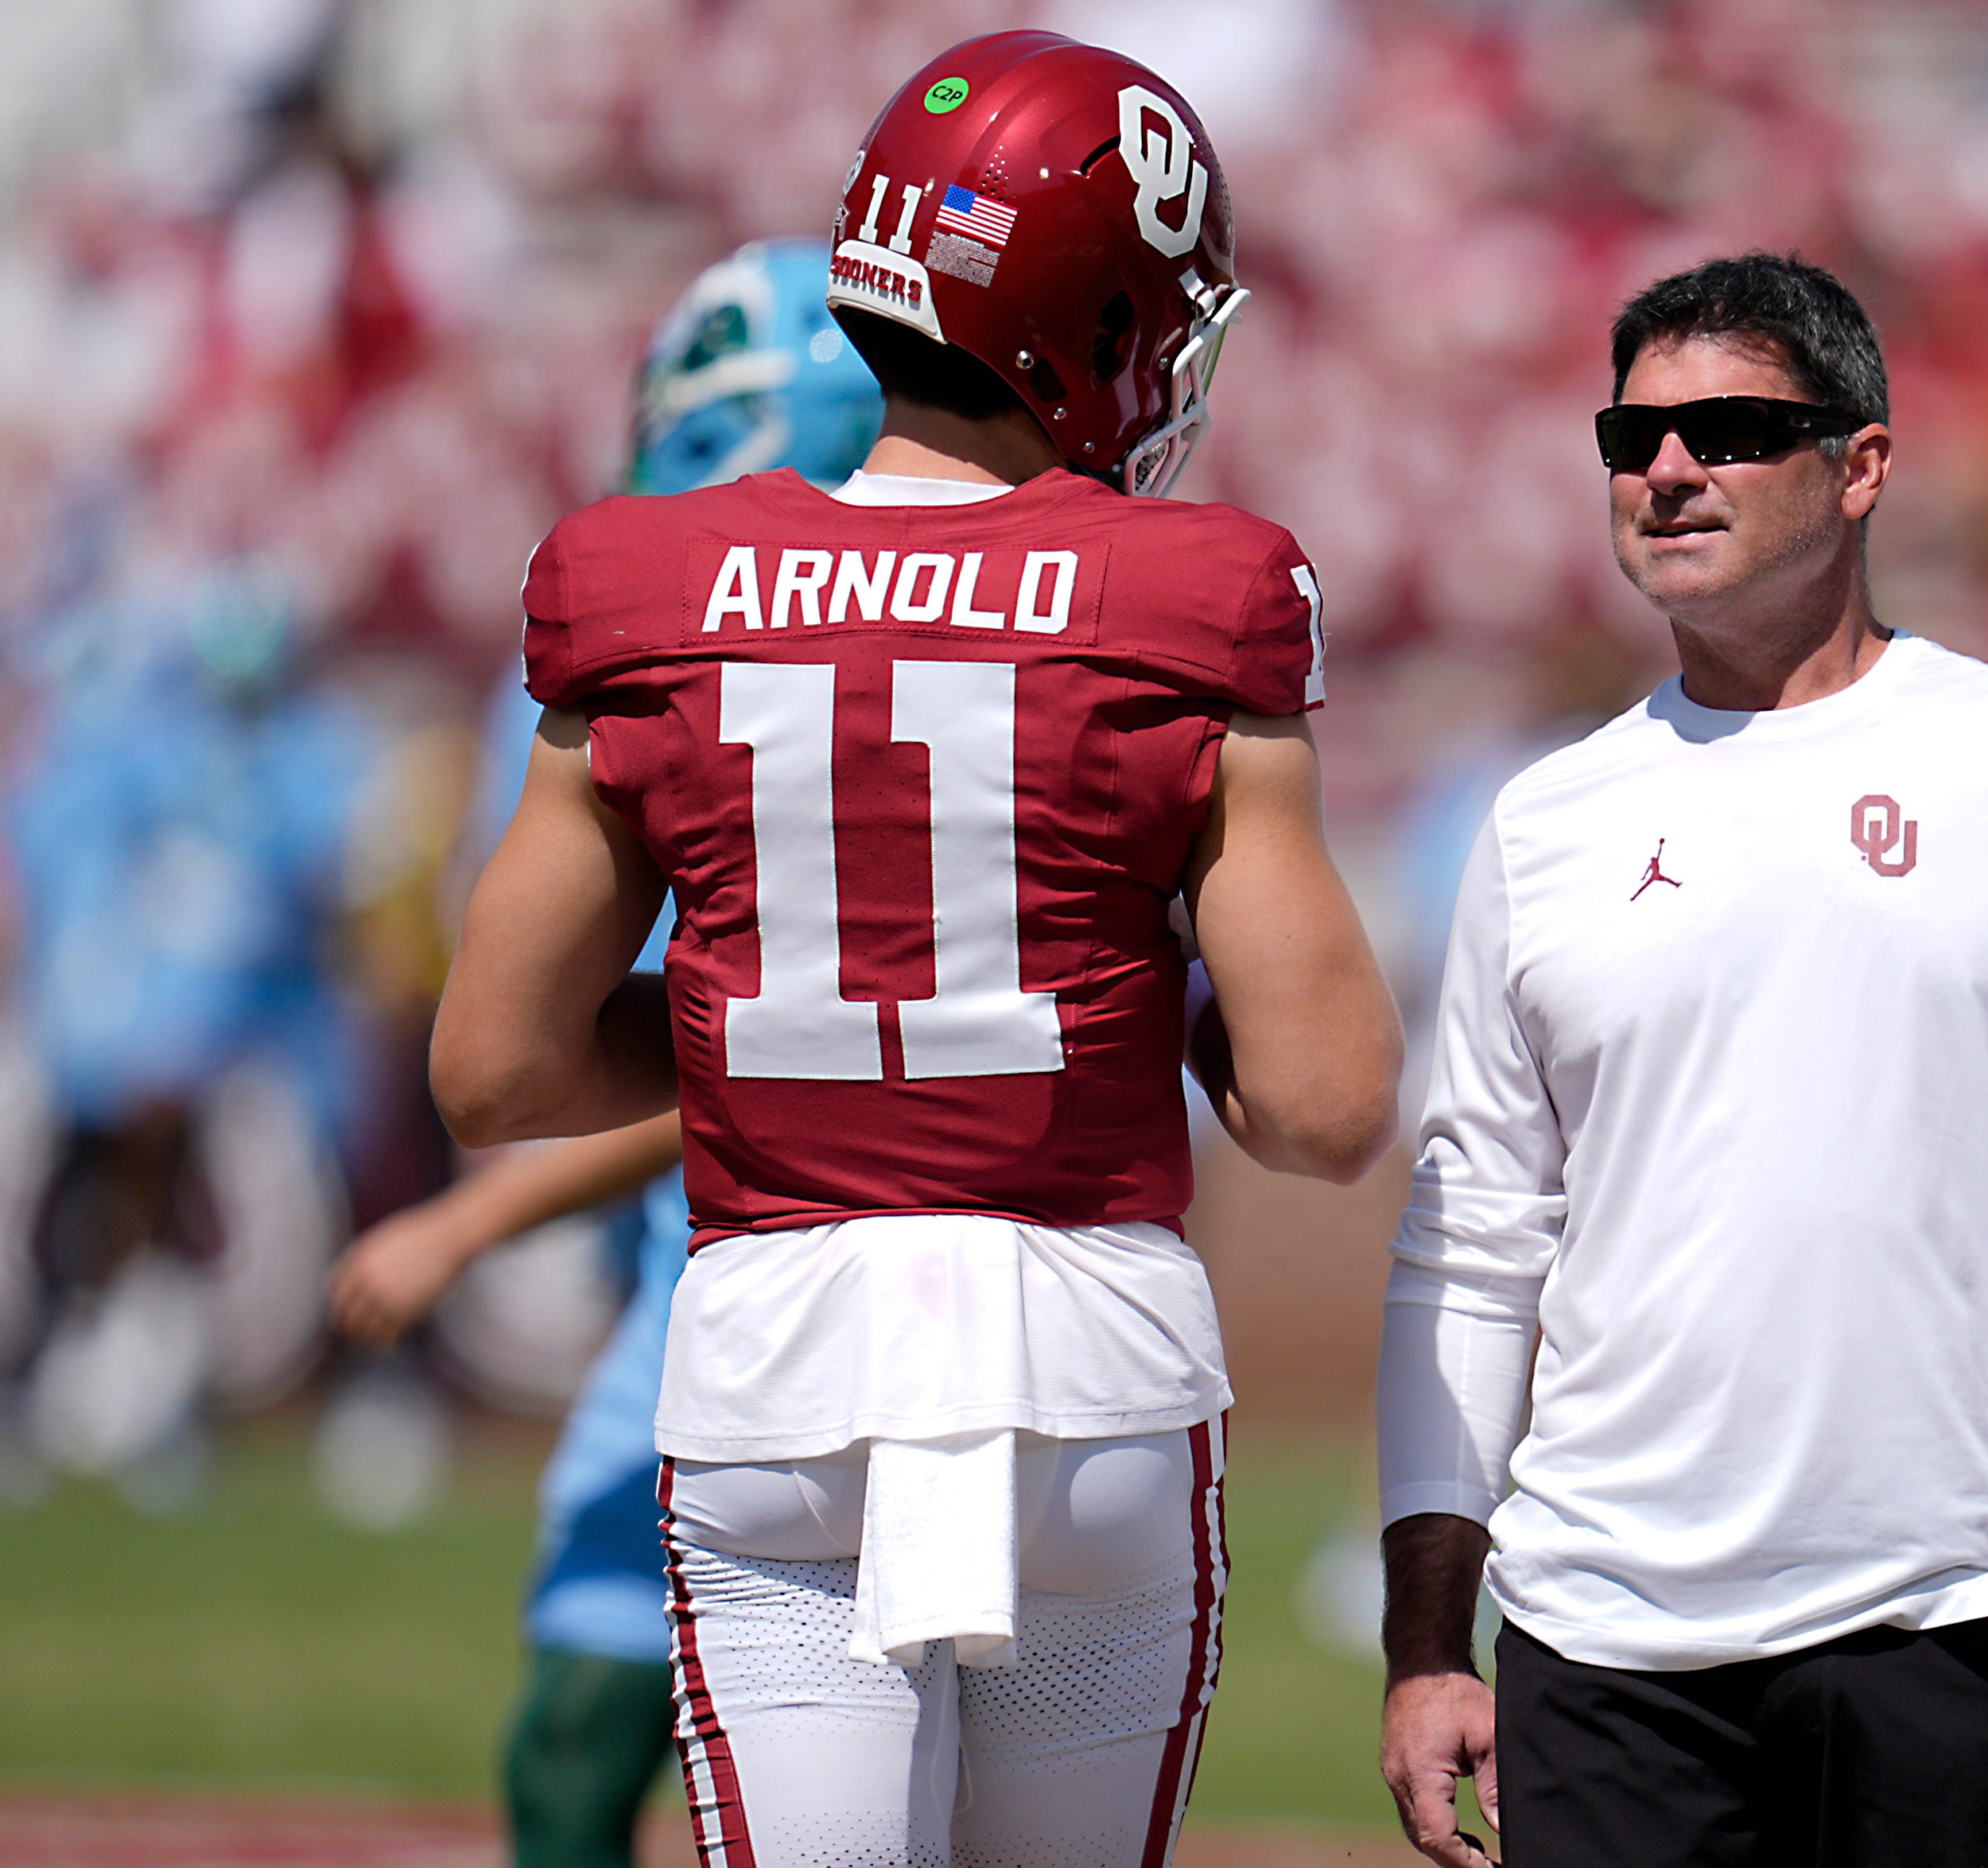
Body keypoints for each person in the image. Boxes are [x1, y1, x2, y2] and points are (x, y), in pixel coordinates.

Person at [429, 31, 1402, 1868]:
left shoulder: (648, 587)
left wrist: (771, 1022)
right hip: (1086, 1374)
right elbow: (1327, 1102)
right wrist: (1093, 995)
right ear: (1092, 322)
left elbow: (496, 1065)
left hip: (777, 1363)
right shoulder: (1187, 597)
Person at [1373, 253, 1988, 1868]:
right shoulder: (1542, 820)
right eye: (1630, 437)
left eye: (1727, 429)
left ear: (1859, 466)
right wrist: (1429, 1637)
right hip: (1598, 1634)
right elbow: (1468, 1243)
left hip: (1948, 1614)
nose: (1666, 470)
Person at [327, 238, 887, 1868]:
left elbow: (764, 1051)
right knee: (581, 1716)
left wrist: (462, 1220)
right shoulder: (642, 649)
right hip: (696, 1277)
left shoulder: (818, 657)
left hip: (854, 1265)